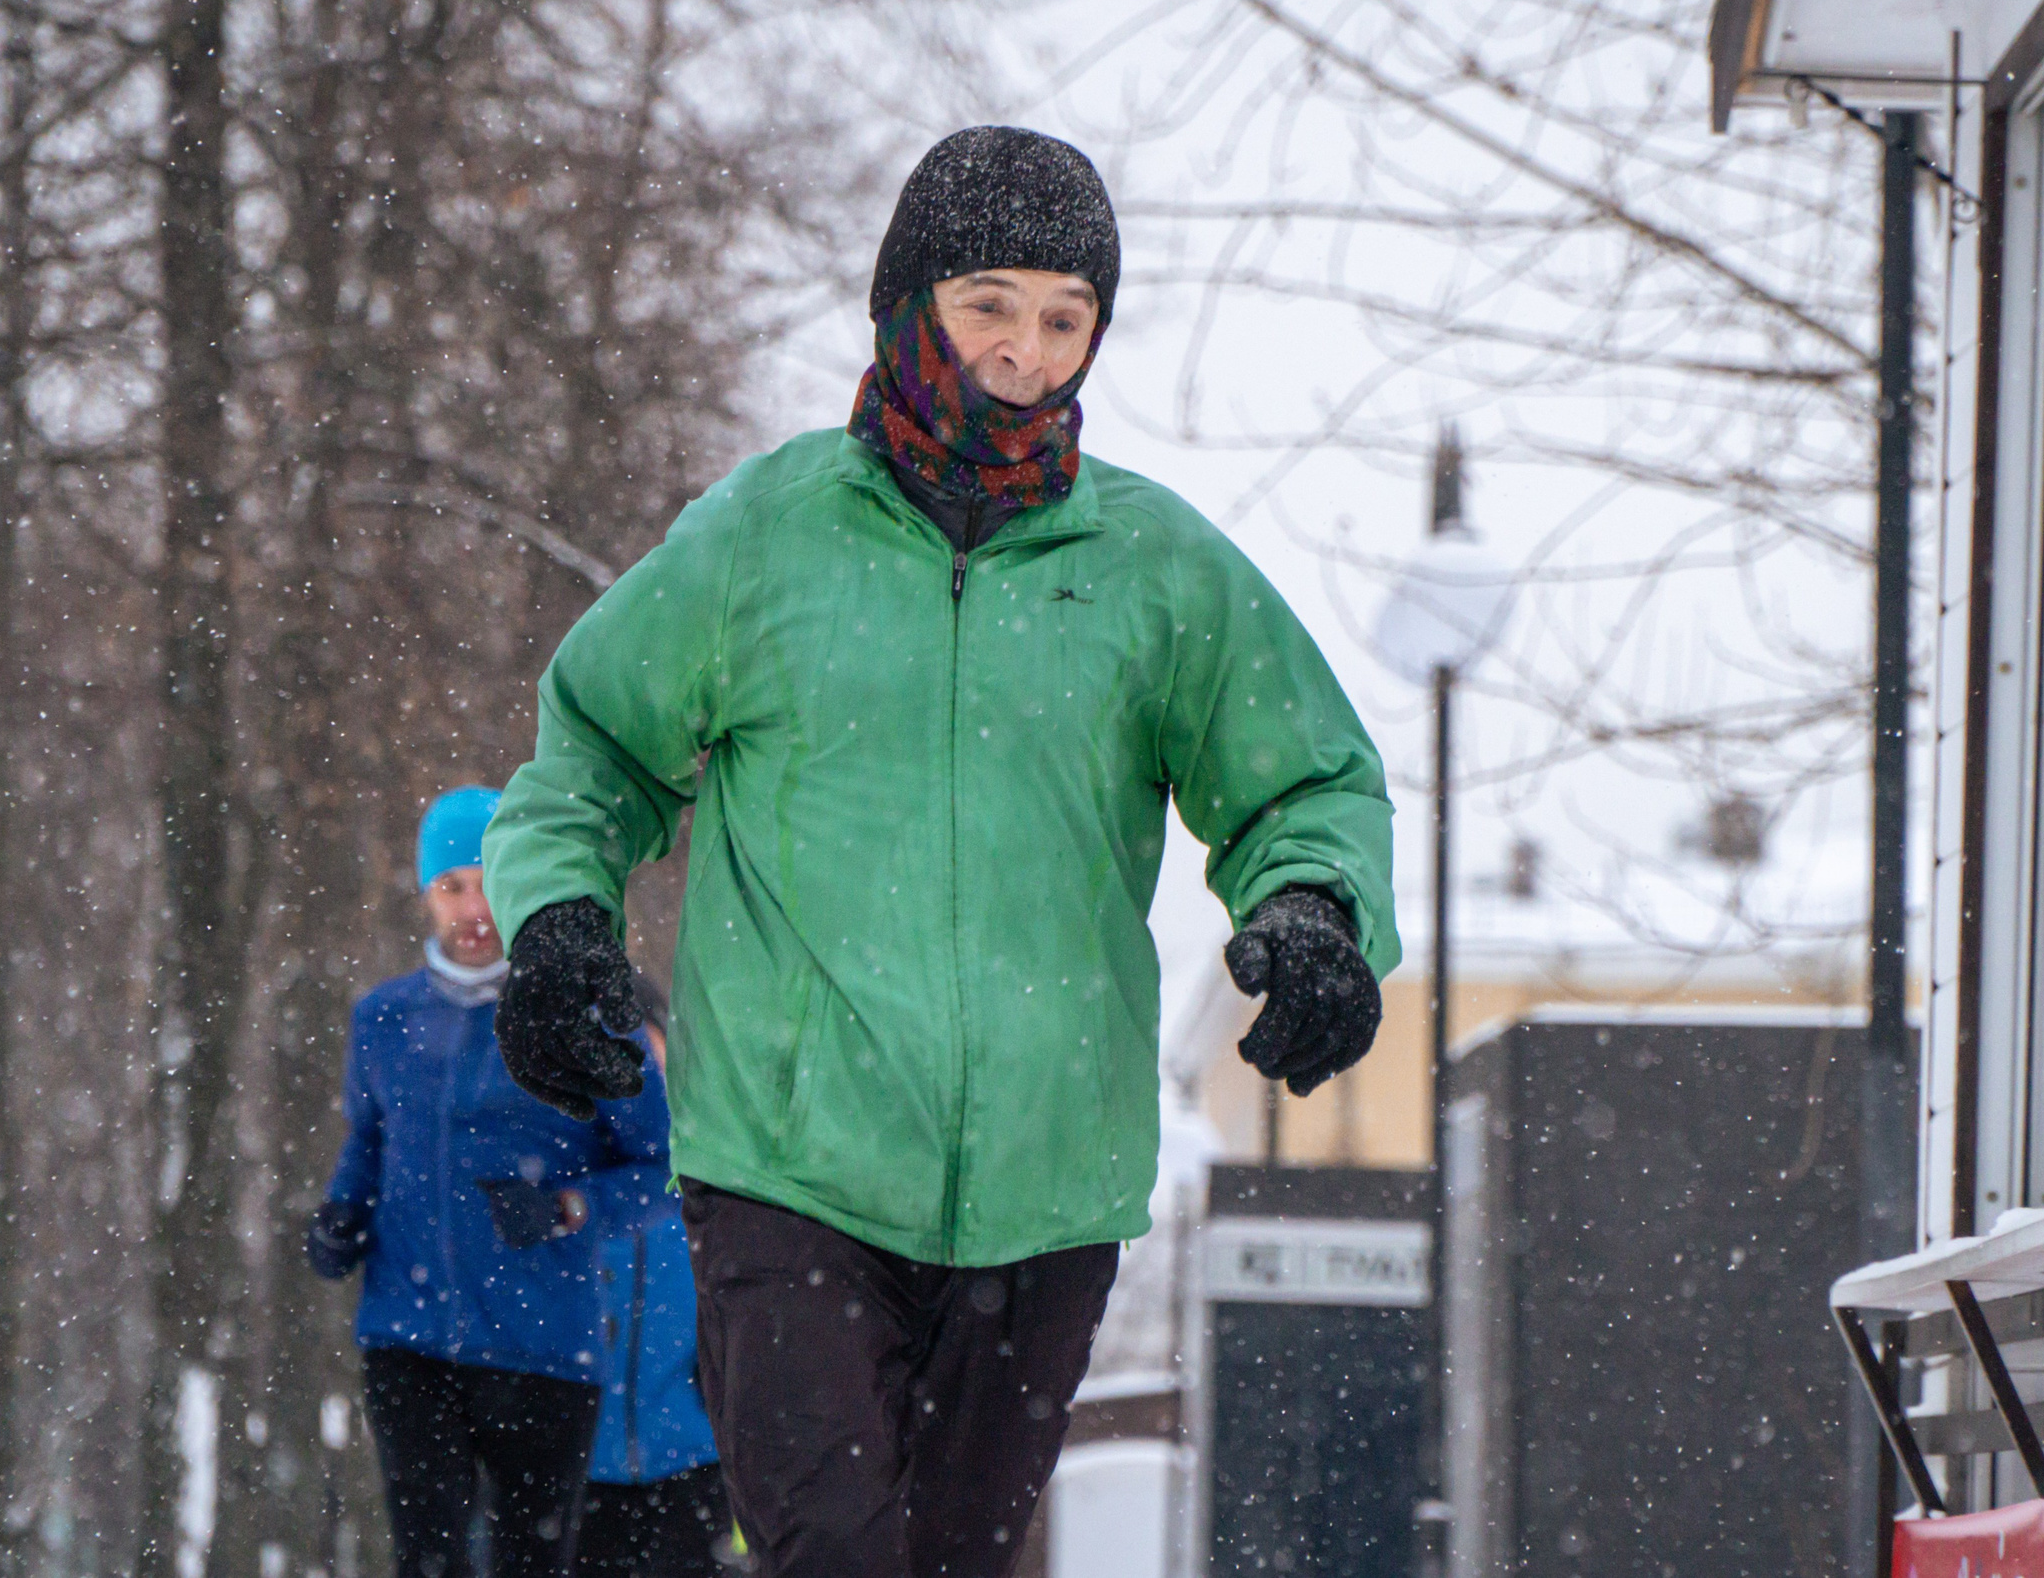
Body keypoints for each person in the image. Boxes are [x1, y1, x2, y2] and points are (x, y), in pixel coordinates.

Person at [483, 126, 1398, 1578]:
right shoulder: (763, 541)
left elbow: (1307, 780)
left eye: (1065, 317)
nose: (1026, 352)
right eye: (989, 305)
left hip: (1048, 1184)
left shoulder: (1153, 571)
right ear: (908, 306)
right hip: (789, 1165)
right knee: (837, 1551)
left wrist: (1313, 907)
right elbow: (592, 752)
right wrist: (557, 926)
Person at [308, 785, 669, 1578]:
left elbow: (661, 1168)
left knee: (529, 1564)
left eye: (490, 883)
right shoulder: (383, 1019)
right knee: (426, 1560)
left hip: (543, 1345)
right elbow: (368, 1142)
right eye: (452, 886)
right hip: (407, 1336)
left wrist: (574, 1206)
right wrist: (340, 1213)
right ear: (425, 894)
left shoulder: (587, 1016)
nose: (473, 909)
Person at [574, 981, 739, 1578]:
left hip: (699, 1464)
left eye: (648, 1055)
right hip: (574, 1464)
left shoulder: (719, 1163)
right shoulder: (570, 1170)